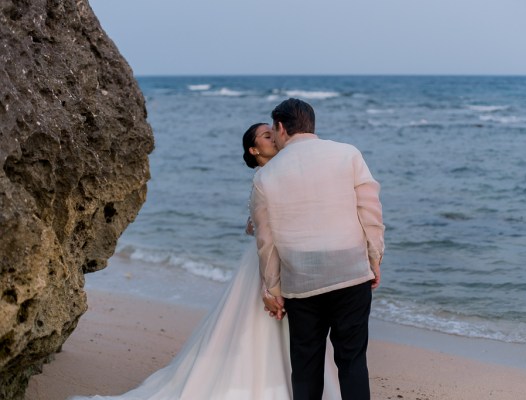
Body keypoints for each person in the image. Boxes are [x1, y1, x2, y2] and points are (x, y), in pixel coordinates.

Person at [69, 123, 341, 400]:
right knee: (258, 322)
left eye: (274, 132)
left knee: (290, 323)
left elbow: (256, 223)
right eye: (267, 136)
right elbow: (260, 225)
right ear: (254, 148)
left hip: (284, 255)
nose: (275, 137)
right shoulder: (266, 175)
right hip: (265, 259)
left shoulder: (278, 172)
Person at [251, 99, 384, 400]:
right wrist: (374, 257)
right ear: (311, 124)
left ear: (281, 128)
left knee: (306, 365)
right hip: (350, 273)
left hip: (301, 284)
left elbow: (266, 242)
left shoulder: (265, 177)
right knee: (352, 361)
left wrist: (272, 288)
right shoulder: (347, 154)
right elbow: (370, 211)